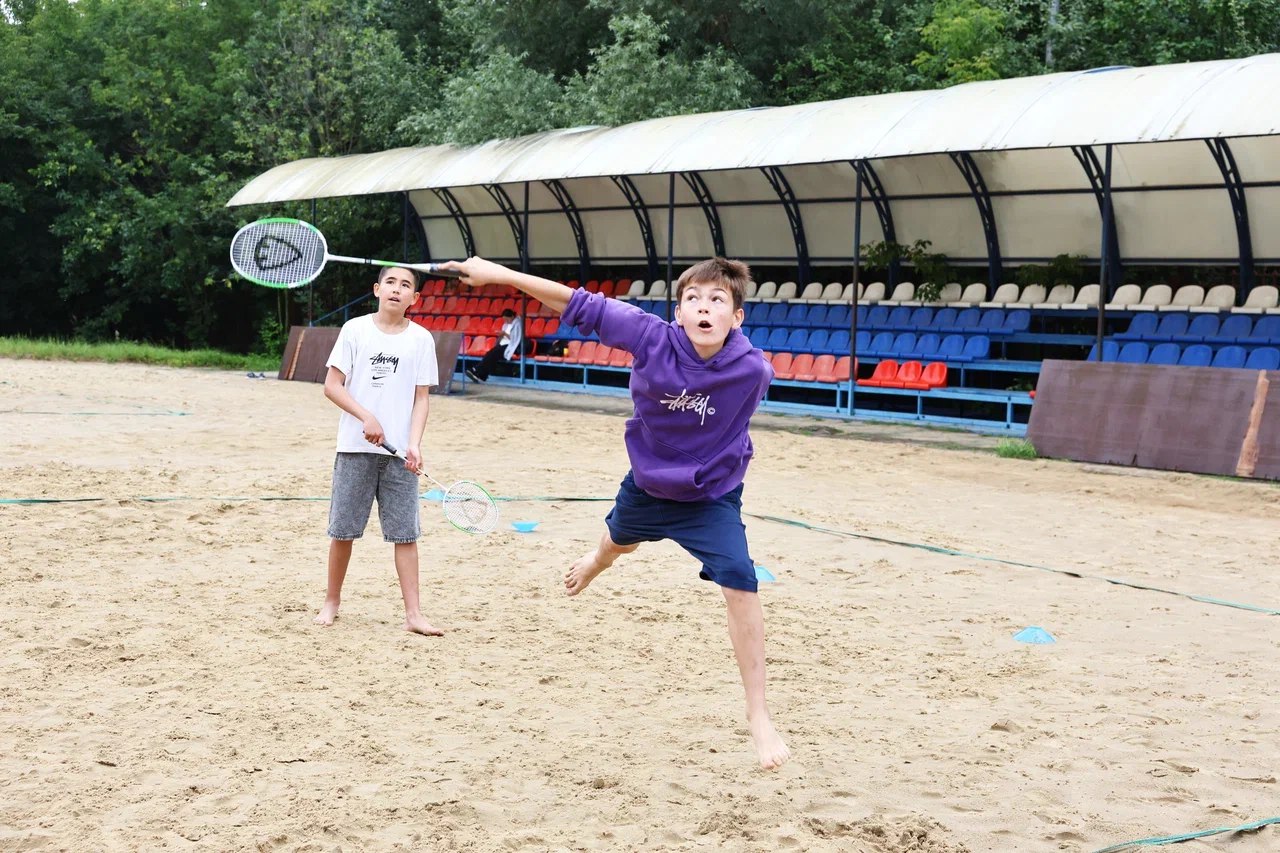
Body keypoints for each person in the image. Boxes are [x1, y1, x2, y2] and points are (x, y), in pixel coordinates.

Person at [442, 255, 791, 770]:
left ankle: (758, 713)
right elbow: (577, 304)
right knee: (617, 542)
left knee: (741, 579)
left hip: (709, 500)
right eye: (693, 298)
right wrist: (501, 275)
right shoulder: (650, 337)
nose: (704, 307)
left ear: (736, 318)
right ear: (677, 312)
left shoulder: (753, 370)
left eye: (718, 300)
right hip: (647, 487)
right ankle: (595, 561)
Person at [313, 265, 444, 637]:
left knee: (406, 535)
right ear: (376, 289)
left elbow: (422, 399)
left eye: (405, 285)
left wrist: (414, 443)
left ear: (415, 298)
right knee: (343, 531)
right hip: (354, 448)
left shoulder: (421, 339)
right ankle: (332, 601)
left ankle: (414, 614)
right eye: (390, 282)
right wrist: (365, 416)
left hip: (399, 456)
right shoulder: (354, 330)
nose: (396, 289)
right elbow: (332, 386)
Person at [466, 308, 526, 383]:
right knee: (489, 354)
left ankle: (476, 370)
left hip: (510, 345)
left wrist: (504, 334)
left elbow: (515, 339)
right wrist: (500, 335)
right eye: (504, 320)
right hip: (502, 344)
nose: (506, 321)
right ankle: (482, 375)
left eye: (507, 319)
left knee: (492, 354)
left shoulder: (517, 324)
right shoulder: (505, 325)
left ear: (512, 316)